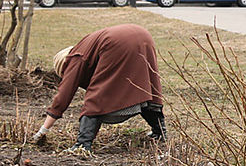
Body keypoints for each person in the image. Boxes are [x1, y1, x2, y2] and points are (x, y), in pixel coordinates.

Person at [33, 24, 166, 154]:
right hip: (143, 36)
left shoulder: (73, 58)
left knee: (96, 98)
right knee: (144, 87)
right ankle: (160, 133)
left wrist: (43, 129)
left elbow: (64, 95)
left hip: (119, 42)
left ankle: (82, 145)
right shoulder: (85, 49)